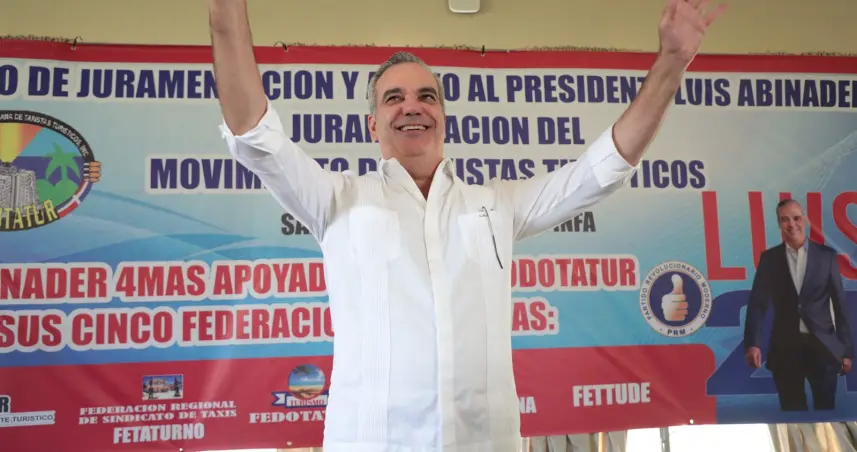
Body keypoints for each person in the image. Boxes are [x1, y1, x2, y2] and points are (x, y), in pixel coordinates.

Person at [208, 0, 725, 449]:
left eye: (426, 96)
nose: (412, 107)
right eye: (394, 98)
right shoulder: (336, 200)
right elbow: (253, 132)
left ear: (443, 117)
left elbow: (600, 170)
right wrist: (226, 11)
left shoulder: (495, 205)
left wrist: (670, 63)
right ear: (372, 125)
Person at [744, 198, 854, 411]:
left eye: (796, 218)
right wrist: (753, 343)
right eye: (785, 219)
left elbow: (840, 305)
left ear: (804, 219)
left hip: (823, 347)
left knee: (826, 411)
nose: (791, 224)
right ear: (779, 224)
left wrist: (846, 351)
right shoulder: (769, 259)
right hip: (785, 348)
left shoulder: (827, 257)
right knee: (792, 411)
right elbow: (757, 304)